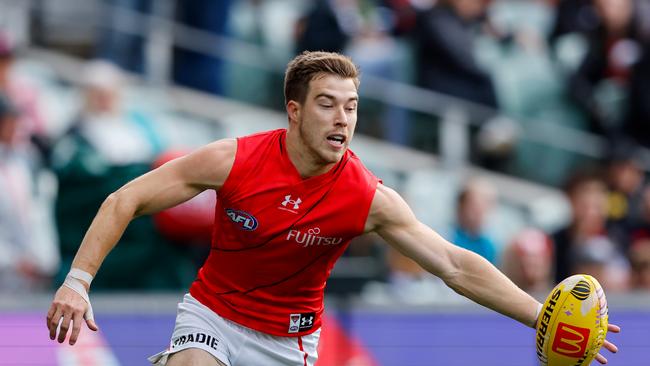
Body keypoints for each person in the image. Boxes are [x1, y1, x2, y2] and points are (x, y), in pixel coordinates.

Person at [46, 51, 620, 366]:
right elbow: (126, 198)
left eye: (351, 106)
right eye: (327, 104)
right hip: (211, 319)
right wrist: (77, 281)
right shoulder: (233, 160)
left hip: (290, 344)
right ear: (293, 110)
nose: (343, 118)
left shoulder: (367, 196)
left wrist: (540, 313)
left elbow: (452, 264)